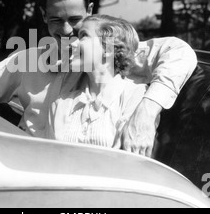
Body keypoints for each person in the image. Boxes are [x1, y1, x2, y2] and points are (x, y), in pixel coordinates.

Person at [0, 0, 198, 158]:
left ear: (89, 12)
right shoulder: (30, 60)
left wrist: (147, 111)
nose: (67, 31)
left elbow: (179, 52)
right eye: (55, 20)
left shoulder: (108, 50)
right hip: (26, 163)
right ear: (43, 16)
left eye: (74, 21)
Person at [48, 15, 148, 149]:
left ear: (108, 49)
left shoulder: (136, 96)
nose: (72, 43)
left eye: (83, 36)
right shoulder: (62, 103)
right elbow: (48, 157)